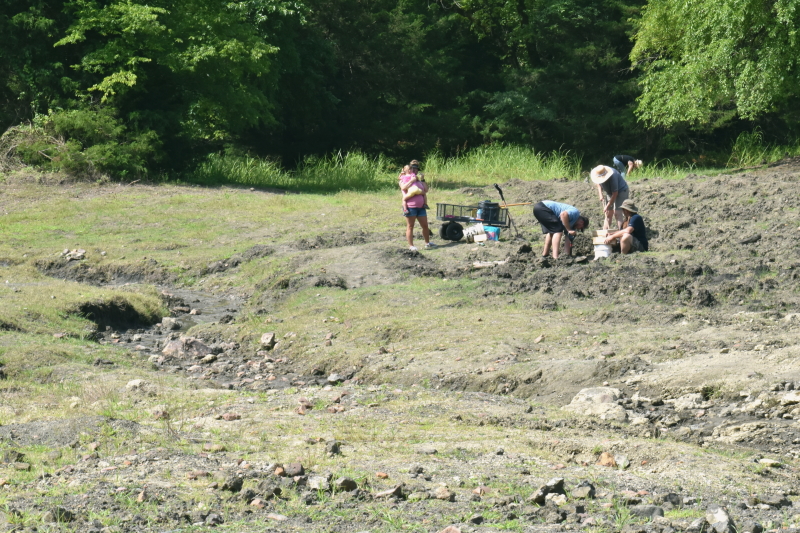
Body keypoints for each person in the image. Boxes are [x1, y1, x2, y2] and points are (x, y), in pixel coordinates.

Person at [399, 160, 434, 251]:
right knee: (410, 226)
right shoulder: (404, 179)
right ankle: (411, 245)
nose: (415, 170)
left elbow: (426, 190)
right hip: (410, 207)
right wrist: (412, 180)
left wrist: (422, 180)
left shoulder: (418, 181)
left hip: (421, 207)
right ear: (409, 170)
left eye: (416, 169)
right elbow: (403, 187)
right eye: (413, 168)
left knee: (425, 225)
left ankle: (427, 243)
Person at [591, 164, 630, 231]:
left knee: (617, 213)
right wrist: (600, 194)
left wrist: (607, 205)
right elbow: (598, 184)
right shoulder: (598, 173)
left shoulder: (613, 176)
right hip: (609, 192)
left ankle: (621, 233)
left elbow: (615, 193)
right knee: (608, 214)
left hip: (621, 191)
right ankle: (604, 233)